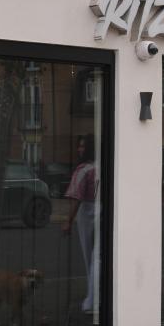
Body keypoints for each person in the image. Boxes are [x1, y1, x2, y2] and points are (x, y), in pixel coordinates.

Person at [62, 134, 99, 314]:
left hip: (87, 212)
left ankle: (92, 301)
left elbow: (76, 198)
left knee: (91, 258)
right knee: (99, 257)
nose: (79, 149)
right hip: (103, 211)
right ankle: (97, 298)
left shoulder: (84, 169)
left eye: (83, 146)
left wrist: (67, 221)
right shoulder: (103, 167)